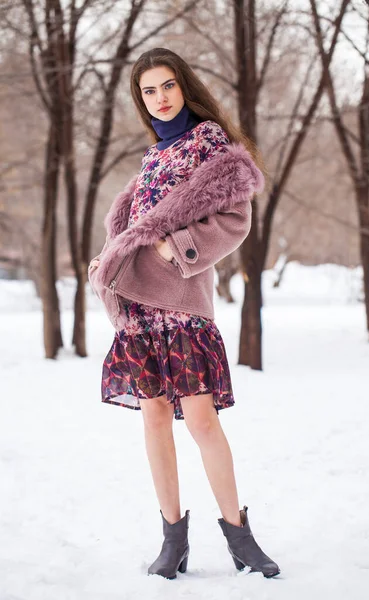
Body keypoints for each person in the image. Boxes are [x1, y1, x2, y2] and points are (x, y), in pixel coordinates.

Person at [88, 47, 280, 580]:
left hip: (184, 305)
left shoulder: (213, 147)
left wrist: (183, 245)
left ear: (184, 86)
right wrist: (108, 259)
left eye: (168, 85)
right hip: (142, 311)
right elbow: (133, 232)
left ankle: (239, 534)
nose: (160, 98)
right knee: (153, 418)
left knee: (200, 419)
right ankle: (173, 539)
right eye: (149, 91)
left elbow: (236, 217)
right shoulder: (152, 160)